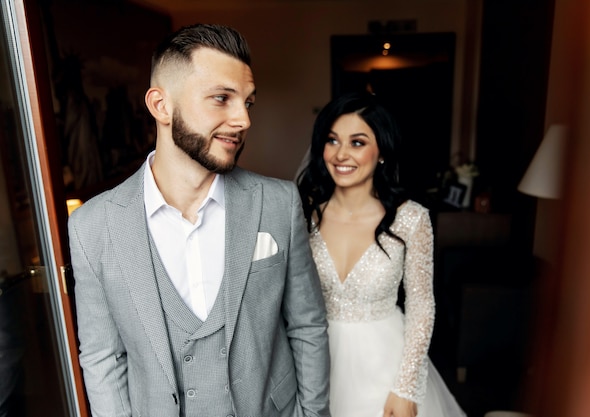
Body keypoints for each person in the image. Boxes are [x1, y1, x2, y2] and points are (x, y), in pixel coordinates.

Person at [68, 23, 330, 417]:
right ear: (161, 106)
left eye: (248, 102)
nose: (244, 119)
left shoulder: (277, 202)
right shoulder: (92, 226)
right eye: (222, 98)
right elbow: (103, 358)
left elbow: (307, 326)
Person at [297, 91, 466, 417]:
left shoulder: (411, 219)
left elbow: (421, 305)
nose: (341, 154)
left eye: (357, 142)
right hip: (314, 358)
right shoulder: (304, 213)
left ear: (382, 152)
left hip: (384, 361)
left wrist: (406, 387)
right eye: (332, 140)